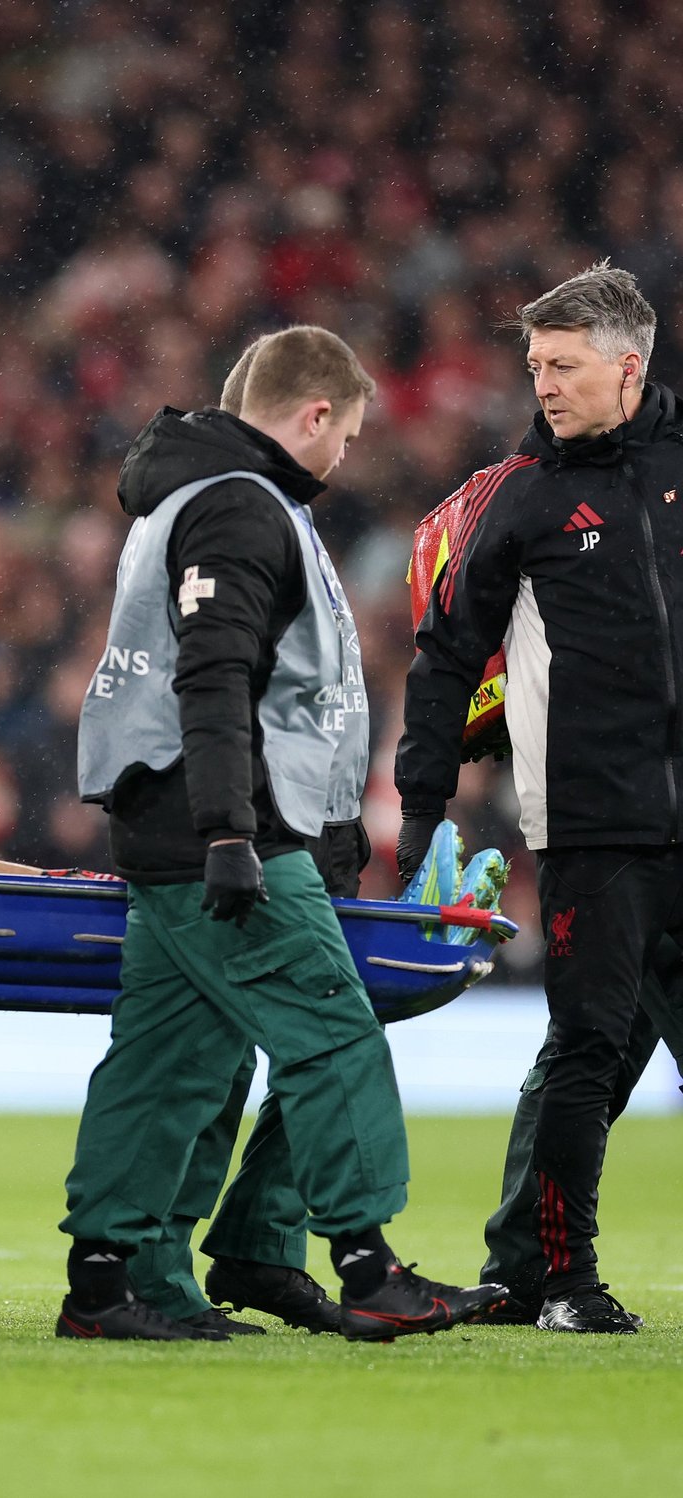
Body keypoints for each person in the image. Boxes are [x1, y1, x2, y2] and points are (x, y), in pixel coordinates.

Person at [62, 324, 505, 1341]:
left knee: (173, 1057)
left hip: (179, 815)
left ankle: (108, 1278)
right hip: (222, 822)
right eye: (342, 436)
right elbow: (213, 674)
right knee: (331, 1033)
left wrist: (321, 831)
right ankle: (364, 1261)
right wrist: (231, 831)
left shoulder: (183, 495)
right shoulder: (241, 506)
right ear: (312, 414)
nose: (340, 457)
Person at [397, 263, 683, 1335]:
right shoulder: (516, 494)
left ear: (627, 364)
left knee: (588, 1053)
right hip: (592, 828)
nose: (542, 385)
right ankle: (558, 1281)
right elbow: (441, 656)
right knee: (583, 1050)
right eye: (534, 366)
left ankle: (526, 1264)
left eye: (561, 366)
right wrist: (420, 808)